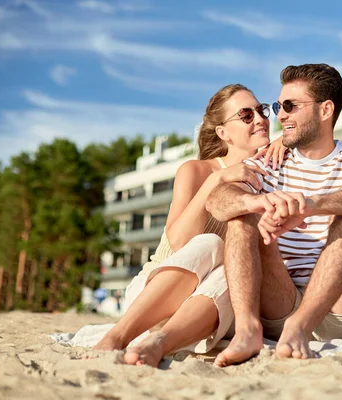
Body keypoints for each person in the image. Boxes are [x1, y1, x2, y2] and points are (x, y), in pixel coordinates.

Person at [206, 63, 342, 367]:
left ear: (325, 110)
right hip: (281, 306)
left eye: (290, 106)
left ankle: (302, 326)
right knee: (241, 216)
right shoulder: (270, 161)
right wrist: (261, 204)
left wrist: (311, 204)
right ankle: (248, 331)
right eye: (279, 106)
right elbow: (217, 201)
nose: (280, 115)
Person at [90, 84, 286, 367]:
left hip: (210, 309)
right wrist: (216, 180)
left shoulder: (270, 175)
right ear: (223, 132)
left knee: (238, 273)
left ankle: (158, 343)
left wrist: (285, 142)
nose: (260, 119)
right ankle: (117, 336)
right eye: (246, 114)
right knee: (213, 244)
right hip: (155, 298)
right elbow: (180, 242)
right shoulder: (196, 171)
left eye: (261, 110)